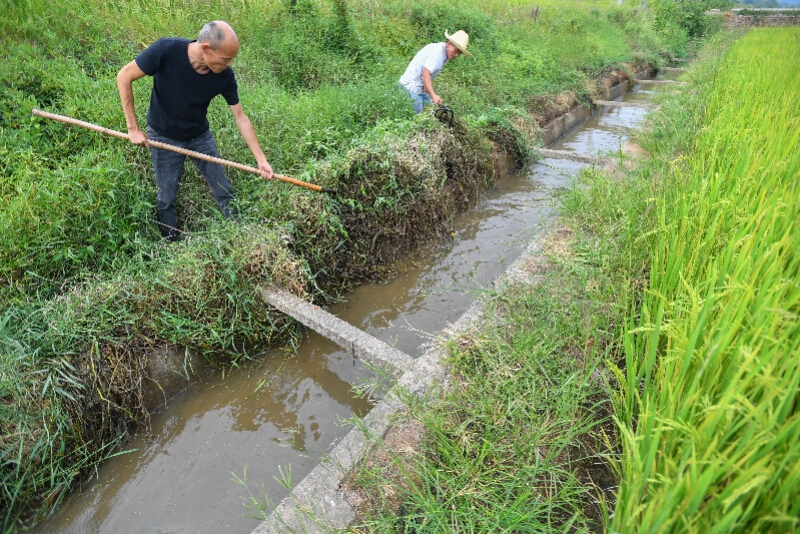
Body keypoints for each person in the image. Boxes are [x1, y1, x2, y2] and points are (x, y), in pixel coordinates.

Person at [117, 20, 273, 241]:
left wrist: (261, 160)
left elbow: (240, 117)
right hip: (164, 136)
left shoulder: (224, 75)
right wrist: (133, 128)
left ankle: (243, 236)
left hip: (199, 136)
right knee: (166, 197)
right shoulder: (166, 50)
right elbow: (124, 76)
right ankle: (169, 244)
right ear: (206, 49)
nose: (229, 64)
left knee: (223, 190)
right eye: (226, 59)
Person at [398, 30, 471, 114]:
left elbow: (427, 74)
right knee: (417, 118)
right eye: (456, 50)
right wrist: (433, 96)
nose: (456, 55)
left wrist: (427, 90)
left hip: (420, 87)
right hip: (410, 87)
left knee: (431, 111)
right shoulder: (437, 53)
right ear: (449, 44)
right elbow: (426, 75)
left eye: (460, 53)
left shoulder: (444, 53)